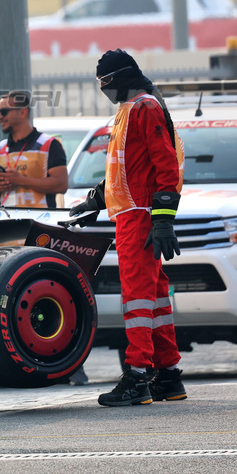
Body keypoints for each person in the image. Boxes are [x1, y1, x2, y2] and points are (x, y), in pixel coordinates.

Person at [70, 50, 186, 406]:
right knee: (155, 298)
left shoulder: (145, 108)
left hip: (139, 217)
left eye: (105, 82)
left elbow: (165, 166)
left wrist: (163, 219)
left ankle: (137, 376)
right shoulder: (128, 111)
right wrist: (95, 201)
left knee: (136, 297)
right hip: (131, 213)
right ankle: (167, 375)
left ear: (121, 79)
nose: (104, 89)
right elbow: (125, 168)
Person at [0, 91, 69, 209]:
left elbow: (61, 185)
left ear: (22, 112)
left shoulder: (49, 144)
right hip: (7, 220)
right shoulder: (1, 148)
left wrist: (21, 180)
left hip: (39, 220)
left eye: (4, 112)